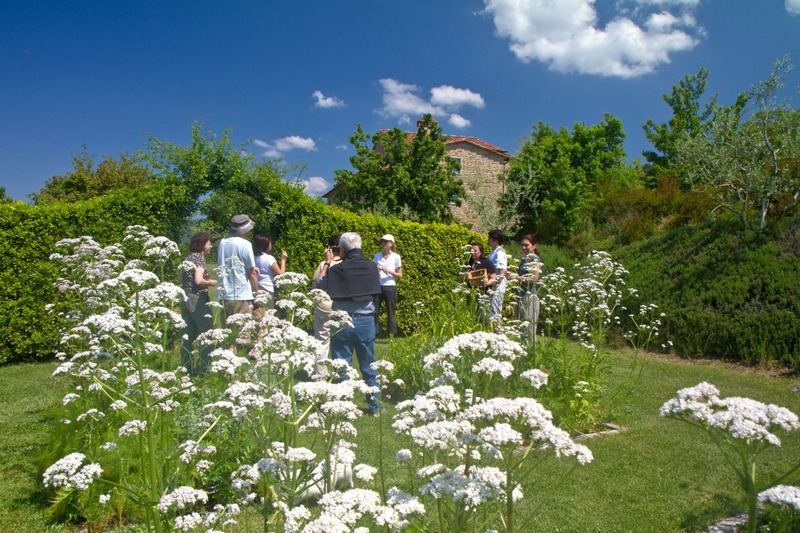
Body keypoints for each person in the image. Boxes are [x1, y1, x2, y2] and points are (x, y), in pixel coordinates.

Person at [315, 232, 382, 415]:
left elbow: (320, 284)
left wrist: (328, 262)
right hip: (365, 320)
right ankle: (375, 407)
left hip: (341, 320)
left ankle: (343, 408)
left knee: (342, 364)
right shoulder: (372, 267)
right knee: (369, 364)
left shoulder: (336, 270)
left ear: (342, 249)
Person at [180, 232, 217, 374]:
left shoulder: (187, 258)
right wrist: (212, 282)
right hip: (197, 298)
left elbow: (180, 278)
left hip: (185, 297)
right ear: (202, 245)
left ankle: (186, 368)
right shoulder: (199, 260)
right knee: (207, 332)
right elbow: (199, 281)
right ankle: (203, 367)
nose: (210, 246)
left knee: (187, 334)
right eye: (209, 243)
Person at [311, 235, 343, 377]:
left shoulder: (322, 265)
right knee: (341, 341)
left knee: (322, 340)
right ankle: (341, 375)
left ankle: (320, 375)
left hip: (323, 305)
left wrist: (327, 262)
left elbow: (315, 287)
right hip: (340, 305)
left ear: (329, 248)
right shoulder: (346, 264)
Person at [217, 214, 258, 318]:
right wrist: (257, 293)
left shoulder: (222, 242)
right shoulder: (246, 244)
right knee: (243, 330)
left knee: (228, 329)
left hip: (224, 293)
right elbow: (252, 273)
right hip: (241, 294)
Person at [373, 234, 402, 337]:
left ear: (391, 243)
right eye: (382, 241)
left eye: (385, 241)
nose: (383, 243)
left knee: (391, 311)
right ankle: (375, 334)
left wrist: (389, 271)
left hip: (390, 287)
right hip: (378, 286)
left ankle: (391, 335)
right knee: (375, 311)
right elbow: (373, 271)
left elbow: (399, 275)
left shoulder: (396, 257)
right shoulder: (377, 256)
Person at [515, 234, 542, 344]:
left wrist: (516, 277)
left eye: (527, 245)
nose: (524, 247)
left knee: (528, 328)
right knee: (522, 327)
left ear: (534, 246)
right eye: (522, 245)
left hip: (529, 296)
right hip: (521, 295)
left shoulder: (535, 259)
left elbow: (534, 279)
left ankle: (530, 355)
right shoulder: (525, 259)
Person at [253, 235, 287, 310]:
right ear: (266, 245)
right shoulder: (269, 258)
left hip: (255, 288)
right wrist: (283, 259)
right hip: (267, 289)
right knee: (268, 315)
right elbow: (281, 274)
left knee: (258, 314)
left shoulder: (253, 257)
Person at [467, 241, 497, 323]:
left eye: (475, 250)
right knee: (472, 315)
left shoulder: (486, 262)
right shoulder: (468, 263)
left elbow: (494, 277)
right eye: (471, 251)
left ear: (481, 251)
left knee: (483, 315)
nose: (473, 253)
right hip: (471, 293)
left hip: (484, 293)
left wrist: (485, 283)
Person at [487, 229, 508, 323]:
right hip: (493, 284)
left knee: (495, 310)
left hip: (497, 286)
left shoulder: (500, 253)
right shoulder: (493, 252)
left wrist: (495, 284)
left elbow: (502, 270)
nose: (488, 240)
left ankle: (497, 332)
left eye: (489, 238)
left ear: (495, 240)